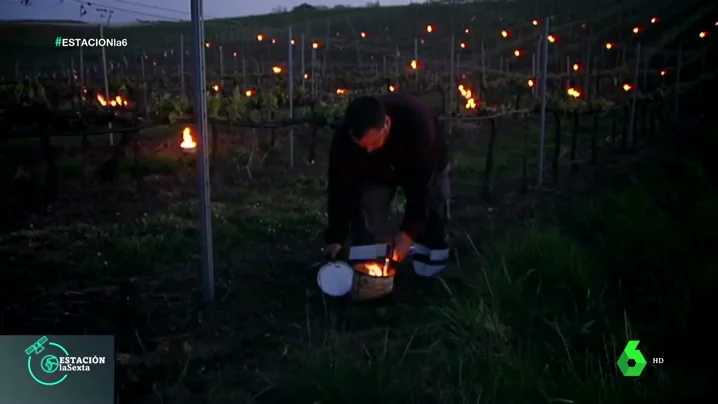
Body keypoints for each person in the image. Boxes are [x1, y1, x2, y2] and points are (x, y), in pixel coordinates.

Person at [323, 93, 451, 277]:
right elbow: (340, 188)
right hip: (378, 172)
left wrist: (408, 232)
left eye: (374, 142)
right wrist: (336, 236)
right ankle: (373, 267)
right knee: (370, 207)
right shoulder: (344, 142)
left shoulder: (418, 126)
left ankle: (433, 270)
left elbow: (422, 188)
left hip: (427, 162)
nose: (369, 150)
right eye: (362, 145)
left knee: (433, 208)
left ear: (387, 124)